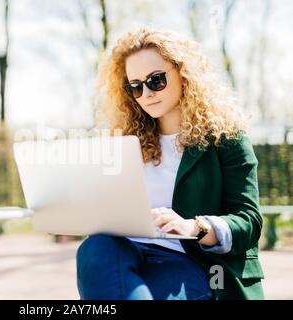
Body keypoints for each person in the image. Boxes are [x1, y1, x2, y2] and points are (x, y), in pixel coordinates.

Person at [76, 27, 264, 300]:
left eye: (156, 80)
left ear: (183, 73)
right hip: (123, 251)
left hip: (189, 261)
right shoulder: (123, 143)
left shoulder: (227, 139)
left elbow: (249, 221)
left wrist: (195, 227)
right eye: (135, 87)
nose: (146, 93)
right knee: (94, 248)